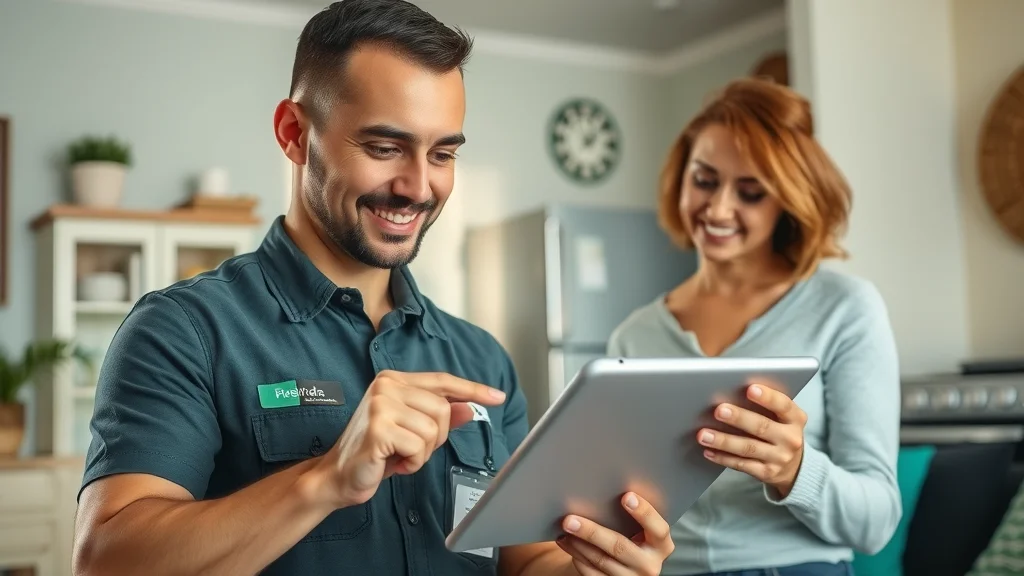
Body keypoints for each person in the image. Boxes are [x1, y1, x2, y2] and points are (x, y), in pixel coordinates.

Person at [70, 1, 675, 575]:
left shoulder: (481, 360)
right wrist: (326, 478)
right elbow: (105, 560)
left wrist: (595, 563)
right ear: (292, 132)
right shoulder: (185, 332)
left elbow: (520, 558)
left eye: (442, 154)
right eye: (385, 148)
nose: (417, 186)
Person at [607, 78, 902, 576]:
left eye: (750, 192)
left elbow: (876, 524)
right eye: (704, 180)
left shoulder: (845, 309)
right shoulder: (633, 337)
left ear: (786, 199)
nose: (719, 209)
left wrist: (795, 470)